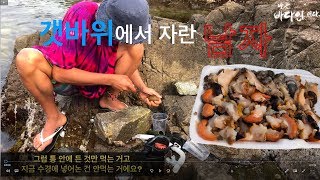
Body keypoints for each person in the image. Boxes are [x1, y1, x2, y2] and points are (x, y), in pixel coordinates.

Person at [15, 0, 162, 152]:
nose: (126, 37)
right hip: (68, 81)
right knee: (25, 59)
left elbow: (128, 57)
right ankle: (55, 118)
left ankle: (109, 99)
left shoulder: (122, 29)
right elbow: (60, 73)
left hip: (99, 79)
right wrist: (111, 79)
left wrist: (142, 88)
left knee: (136, 48)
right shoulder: (81, 14)